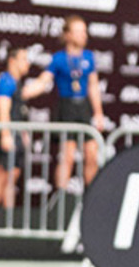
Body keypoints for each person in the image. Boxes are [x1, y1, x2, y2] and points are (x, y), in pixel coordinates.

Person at [27, 15, 104, 189]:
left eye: (84, 31)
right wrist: (24, 93)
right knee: (67, 156)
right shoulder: (59, 58)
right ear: (68, 35)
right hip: (66, 107)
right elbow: (43, 81)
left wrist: (98, 113)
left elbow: (93, 86)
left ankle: (91, 198)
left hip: (84, 107)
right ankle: (61, 198)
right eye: (78, 32)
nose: (83, 35)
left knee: (91, 155)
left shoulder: (89, 57)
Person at [0, 45, 42, 209]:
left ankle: (6, 219)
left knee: (12, 177)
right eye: (23, 59)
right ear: (12, 61)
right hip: (9, 135)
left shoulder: (16, 83)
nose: (27, 63)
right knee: (1, 176)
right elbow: (2, 109)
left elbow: (19, 110)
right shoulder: (6, 81)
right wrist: (5, 135)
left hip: (16, 135)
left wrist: (22, 133)